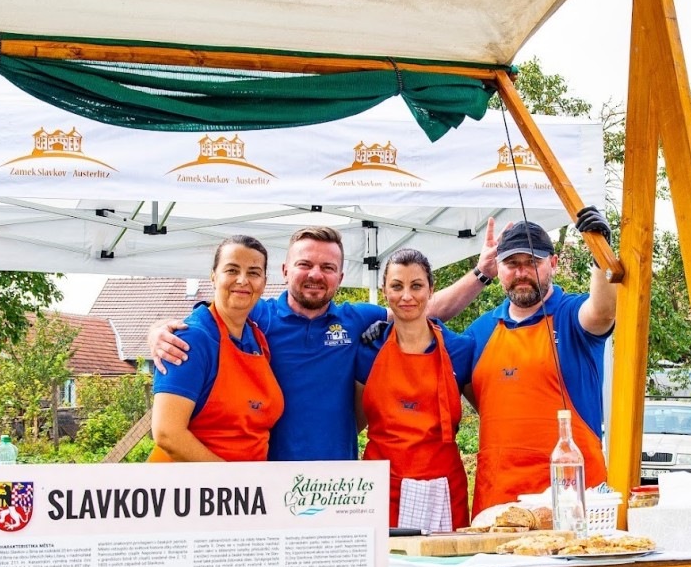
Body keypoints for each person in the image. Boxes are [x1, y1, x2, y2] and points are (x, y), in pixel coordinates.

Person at [150, 224, 498, 461]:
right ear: (285, 271)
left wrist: (481, 273)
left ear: (341, 277)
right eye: (305, 264)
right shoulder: (258, 319)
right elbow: (217, 314)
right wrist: (158, 331)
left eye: (327, 267)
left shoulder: (356, 319)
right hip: (271, 481)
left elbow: (419, 309)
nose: (316, 274)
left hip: (338, 484)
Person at [464, 207, 616, 516]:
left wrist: (602, 256)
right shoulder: (480, 331)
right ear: (499, 268)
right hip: (497, 505)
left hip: (573, 503)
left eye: (532, 262)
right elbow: (427, 333)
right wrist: (388, 326)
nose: (521, 272)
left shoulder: (572, 315)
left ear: (553, 264)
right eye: (511, 264)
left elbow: (602, 312)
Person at [355, 248, 474, 529]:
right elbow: (354, 423)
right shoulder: (368, 350)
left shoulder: (459, 349)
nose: (406, 296)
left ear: (431, 290)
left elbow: (489, 412)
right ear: (384, 291)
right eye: (397, 286)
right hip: (384, 485)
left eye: (416, 286)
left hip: (444, 486)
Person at [149, 235, 284, 461]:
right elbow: (167, 433)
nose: (242, 280)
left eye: (253, 273)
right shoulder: (191, 340)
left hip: (245, 488)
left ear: (264, 282)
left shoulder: (258, 339)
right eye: (232, 270)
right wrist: (229, 484)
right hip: (190, 490)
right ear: (213, 277)